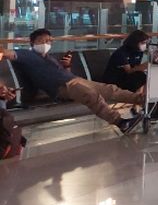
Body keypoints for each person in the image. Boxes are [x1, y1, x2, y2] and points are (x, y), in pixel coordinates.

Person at [3, 29, 143, 133]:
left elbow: (66, 74)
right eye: (43, 41)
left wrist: (67, 66)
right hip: (61, 87)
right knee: (91, 95)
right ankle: (120, 122)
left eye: (49, 41)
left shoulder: (49, 58)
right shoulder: (26, 55)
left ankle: (144, 101)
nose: (47, 43)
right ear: (32, 42)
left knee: (111, 90)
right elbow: (7, 53)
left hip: (74, 80)